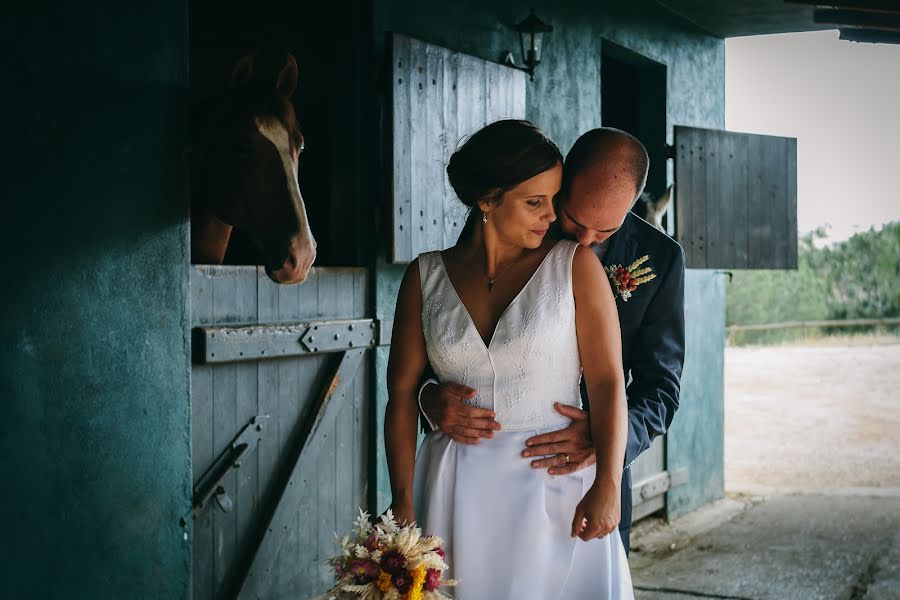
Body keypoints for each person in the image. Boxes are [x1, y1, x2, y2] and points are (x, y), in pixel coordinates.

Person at [385, 120, 634, 598]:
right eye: (534, 202)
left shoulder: (575, 266)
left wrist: (607, 483)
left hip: (552, 485)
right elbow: (400, 392)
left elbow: (606, 383)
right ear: (487, 199)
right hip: (451, 486)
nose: (550, 216)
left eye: (553, 199)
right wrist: (402, 499)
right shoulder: (425, 276)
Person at [418, 127, 686, 554]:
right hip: (478, 473)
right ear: (564, 181)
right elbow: (457, 331)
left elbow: (660, 385)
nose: (582, 241)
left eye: (605, 232)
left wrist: (605, 446)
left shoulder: (661, 258)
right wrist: (429, 398)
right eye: (574, 221)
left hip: (589, 478)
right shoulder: (513, 226)